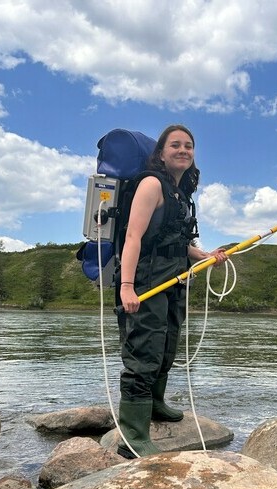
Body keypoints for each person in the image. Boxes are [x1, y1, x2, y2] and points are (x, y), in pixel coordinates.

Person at [116, 124, 227, 459]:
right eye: (175, 145)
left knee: (167, 345)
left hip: (175, 281)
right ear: (161, 152)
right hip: (147, 282)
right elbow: (133, 237)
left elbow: (178, 243)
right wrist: (126, 286)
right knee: (144, 351)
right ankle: (133, 435)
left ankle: (155, 403)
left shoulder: (183, 195)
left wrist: (205, 256)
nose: (183, 150)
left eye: (189, 146)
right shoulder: (151, 184)